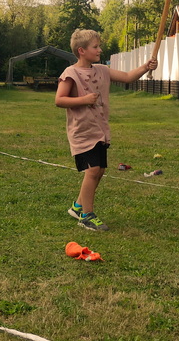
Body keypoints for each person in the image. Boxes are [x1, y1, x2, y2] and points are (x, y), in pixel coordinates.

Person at [55, 29, 157, 231]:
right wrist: (84, 100)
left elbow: (127, 77)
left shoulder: (102, 70)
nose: (100, 50)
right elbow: (59, 100)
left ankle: (77, 207)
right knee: (92, 170)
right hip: (82, 131)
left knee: (99, 171)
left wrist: (146, 67)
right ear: (82, 50)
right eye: (96, 47)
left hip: (99, 130)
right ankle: (86, 216)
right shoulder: (71, 74)